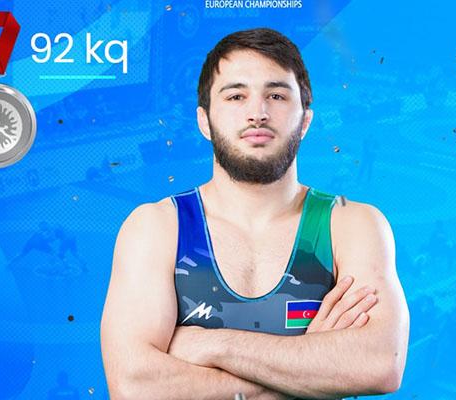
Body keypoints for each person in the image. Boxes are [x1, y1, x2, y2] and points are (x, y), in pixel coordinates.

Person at [101, 28, 409, 399]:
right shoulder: (156, 228)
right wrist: (309, 367)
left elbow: (379, 364)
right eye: (236, 96)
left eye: (276, 95)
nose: (257, 113)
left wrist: (214, 346)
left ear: (305, 120)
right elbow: (133, 387)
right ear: (204, 121)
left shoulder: (351, 225)